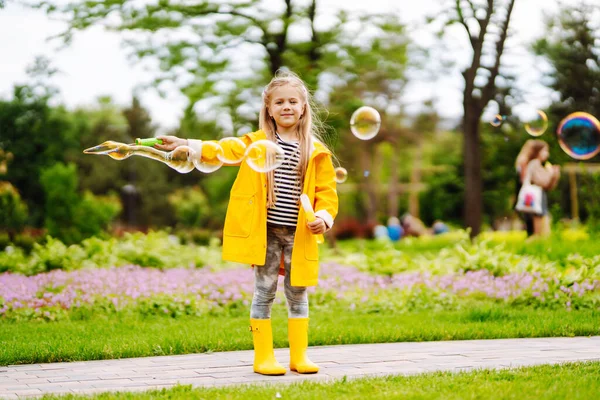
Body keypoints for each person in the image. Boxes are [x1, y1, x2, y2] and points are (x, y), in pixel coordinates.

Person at [155, 71, 338, 376]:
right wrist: (189, 144)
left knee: (298, 292)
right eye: (279, 102)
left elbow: (327, 193)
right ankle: (263, 357)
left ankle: (299, 357)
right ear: (268, 109)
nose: (286, 106)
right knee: (264, 291)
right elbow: (225, 149)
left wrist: (323, 217)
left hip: (300, 234)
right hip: (265, 233)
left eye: (293, 101)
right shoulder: (257, 142)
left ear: (304, 107)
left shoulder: (316, 151)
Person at [514, 139, 561, 237]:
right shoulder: (534, 163)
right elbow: (543, 182)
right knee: (538, 231)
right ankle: (531, 246)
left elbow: (548, 186)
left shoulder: (537, 164)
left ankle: (534, 246)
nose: (547, 153)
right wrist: (553, 174)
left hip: (537, 197)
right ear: (537, 151)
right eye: (545, 150)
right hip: (536, 197)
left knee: (538, 229)